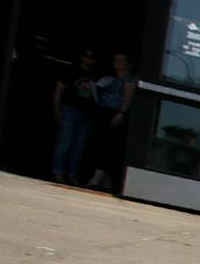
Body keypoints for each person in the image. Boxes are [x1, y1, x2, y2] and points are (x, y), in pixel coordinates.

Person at [86, 51, 137, 192]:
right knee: (104, 145)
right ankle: (107, 182)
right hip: (105, 113)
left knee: (109, 146)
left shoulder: (130, 80)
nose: (117, 62)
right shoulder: (109, 78)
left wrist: (121, 113)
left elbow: (128, 98)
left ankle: (96, 179)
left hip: (117, 114)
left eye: (121, 60)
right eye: (116, 59)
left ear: (128, 64)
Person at [49, 49, 99, 184]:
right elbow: (58, 91)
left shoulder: (96, 78)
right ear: (81, 57)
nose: (88, 59)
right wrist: (57, 110)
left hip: (87, 114)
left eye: (92, 57)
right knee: (65, 143)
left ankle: (71, 175)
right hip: (70, 110)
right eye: (86, 56)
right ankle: (58, 172)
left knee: (78, 147)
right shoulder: (70, 71)